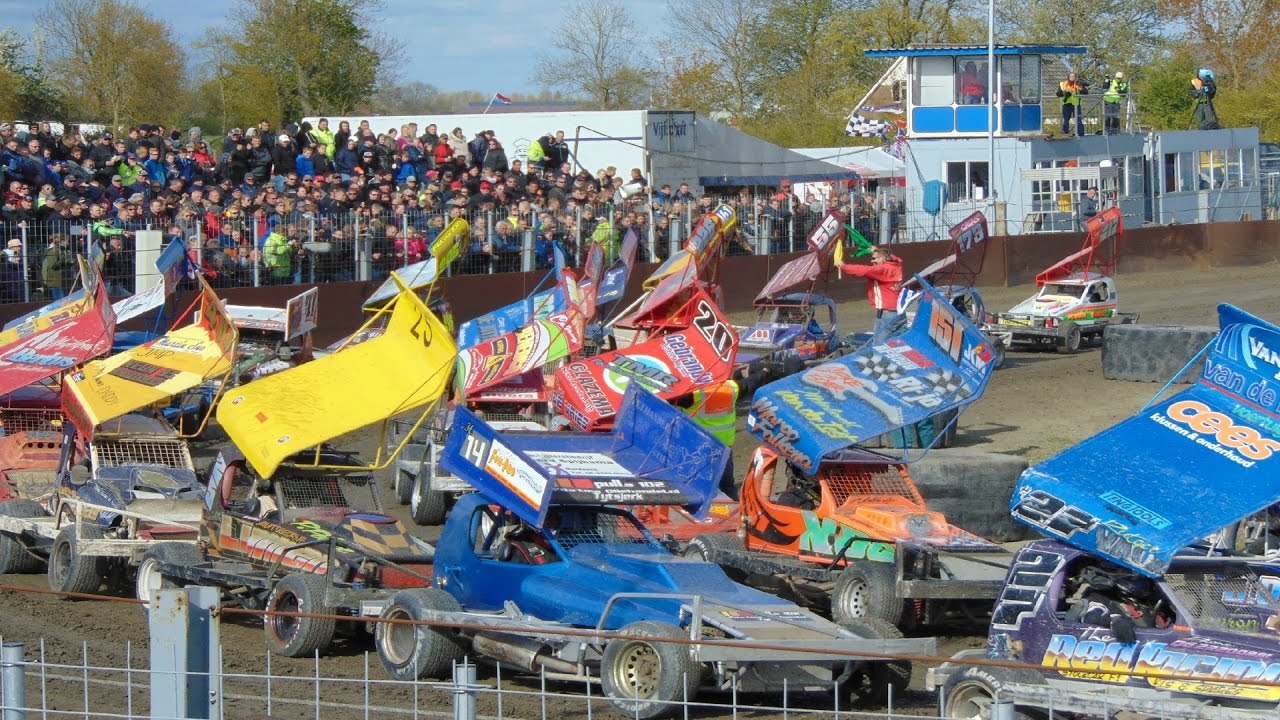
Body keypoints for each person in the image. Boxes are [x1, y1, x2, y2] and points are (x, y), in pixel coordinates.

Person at [674, 380, 739, 499]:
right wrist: (765, 372)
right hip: (725, 445)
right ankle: (736, 512)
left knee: (699, 485)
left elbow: (671, 397)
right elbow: (747, 384)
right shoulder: (732, 387)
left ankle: (707, 514)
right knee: (727, 485)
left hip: (700, 447)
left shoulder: (695, 394)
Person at [841, 244, 903, 337]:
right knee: (895, 343)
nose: (872, 260)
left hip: (888, 313)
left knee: (879, 345)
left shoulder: (883, 269)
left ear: (883, 259)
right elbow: (896, 258)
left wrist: (843, 266)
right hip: (896, 311)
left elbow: (864, 270)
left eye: (874, 258)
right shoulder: (896, 265)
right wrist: (877, 250)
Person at [1056, 72, 1088, 136]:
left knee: (1078, 119)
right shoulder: (1063, 84)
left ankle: (1081, 134)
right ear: (1068, 77)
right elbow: (1058, 94)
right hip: (1067, 104)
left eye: (1074, 76)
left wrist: (1080, 89)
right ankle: (1065, 133)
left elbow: (1086, 92)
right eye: (1071, 76)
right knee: (1066, 120)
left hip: (1076, 104)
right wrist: (1064, 92)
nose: (1072, 78)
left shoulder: (1078, 84)